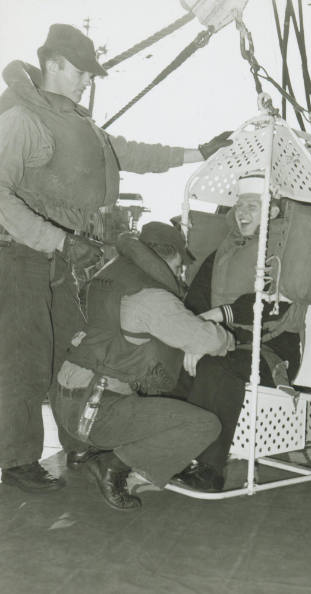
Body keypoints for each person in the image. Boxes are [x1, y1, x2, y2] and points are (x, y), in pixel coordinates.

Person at [0, 23, 231, 493]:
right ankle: (16, 459)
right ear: (54, 64)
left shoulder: (79, 123)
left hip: (67, 263)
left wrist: (200, 152)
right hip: (24, 256)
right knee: (24, 359)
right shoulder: (22, 119)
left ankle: (77, 440)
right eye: (83, 71)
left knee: (75, 352)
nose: (89, 80)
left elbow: (130, 153)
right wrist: (59, 241)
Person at [53, 222, 235, 511]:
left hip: (64, 400)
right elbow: (207, 340)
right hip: (96, 409)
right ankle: (111, 466)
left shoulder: (107, 276)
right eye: (178, 267)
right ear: (167, 258)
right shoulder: (151, 296)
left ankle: (80, 452)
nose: (179, 275)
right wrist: (227, 338)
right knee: (204, 425)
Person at [174, 173, 305, 492]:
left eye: (253, 206)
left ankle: (210, 469)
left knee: (218, 369)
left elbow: (272, 305)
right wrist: (192, 336)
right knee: (170, 362)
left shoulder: (284, 251)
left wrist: (212, 323)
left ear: (272, 212)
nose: (243, 212)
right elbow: (197, 298)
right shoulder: (223, 250)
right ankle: (172, 452)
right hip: (222, 340)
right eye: (240, 205)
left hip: (271, 348)